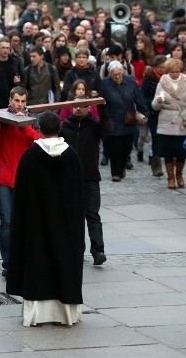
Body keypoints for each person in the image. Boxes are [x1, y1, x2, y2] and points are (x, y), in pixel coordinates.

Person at [6, 112, 85, 327]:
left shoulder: (30, 158)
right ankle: (66, 315)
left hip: (35, 226)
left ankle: (37, 316)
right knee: (64, 266)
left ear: (39, 129)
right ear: (59, 129)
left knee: (38, 266)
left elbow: (20, 200)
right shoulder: (73, 157)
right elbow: (79, 198)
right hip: (66, 226)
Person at [0, 86, 40, 276]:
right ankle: (7, 262)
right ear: (10, 100)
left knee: (24, 221)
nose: (20, 104)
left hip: (24, 178)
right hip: (3, 178)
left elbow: (39, 141)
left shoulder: (31, 119)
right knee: (6, 221)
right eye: (17, 100)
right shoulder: (2, 117)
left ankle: (22, 259)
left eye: (23, 101)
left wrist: (25, 127)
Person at [61, 97, 113, 265]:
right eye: (75, 106)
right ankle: (76, 250)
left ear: (89, 108)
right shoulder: (66, 126)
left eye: (82, 106)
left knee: (92, 215)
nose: (78, 109)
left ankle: (98, 250)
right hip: (70, 178)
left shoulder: (94, 125)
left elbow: (108, 129)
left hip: (90, 177)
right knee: (73, 217)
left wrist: (103, 109)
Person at [101, 61, 149, 182]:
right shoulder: (105, 84)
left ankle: (122, 166)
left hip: (129, 119)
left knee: (127, 147)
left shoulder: (131, 81)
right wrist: (105, 118)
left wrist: (145, 113)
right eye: (114, 74)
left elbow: (138, 98)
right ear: (110, 74)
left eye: (119, 74)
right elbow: (102, 103)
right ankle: (115, 172)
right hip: (113, 119)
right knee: (115, 148)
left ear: (122, 72)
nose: (117, 76)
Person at [152, 58, 186, 189]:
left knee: (182, 151)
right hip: (167, 120)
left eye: (177, 71)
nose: (175, 74)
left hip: (182, 121)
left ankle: (179, 175)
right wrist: (158, 101)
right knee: (168, 151)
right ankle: (170, 178)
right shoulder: (162, 82)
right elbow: (154, 106)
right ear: (168, 71)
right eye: (172, 72)